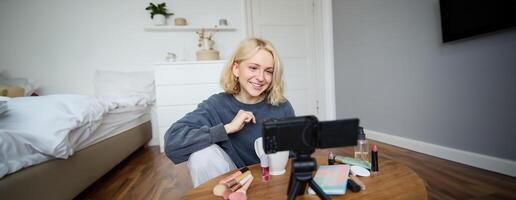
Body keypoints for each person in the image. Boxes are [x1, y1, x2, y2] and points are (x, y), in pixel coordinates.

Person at [164, 38, 295, 187]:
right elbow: (172, 142)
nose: (260, 78)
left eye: (268, 71)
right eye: (253, 68)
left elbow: (294, 158)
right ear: (236, 69)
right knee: (202, 155)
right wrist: (228, 128)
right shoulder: (216, 105)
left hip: (272, 182)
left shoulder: (282, 107)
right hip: (234, 182)